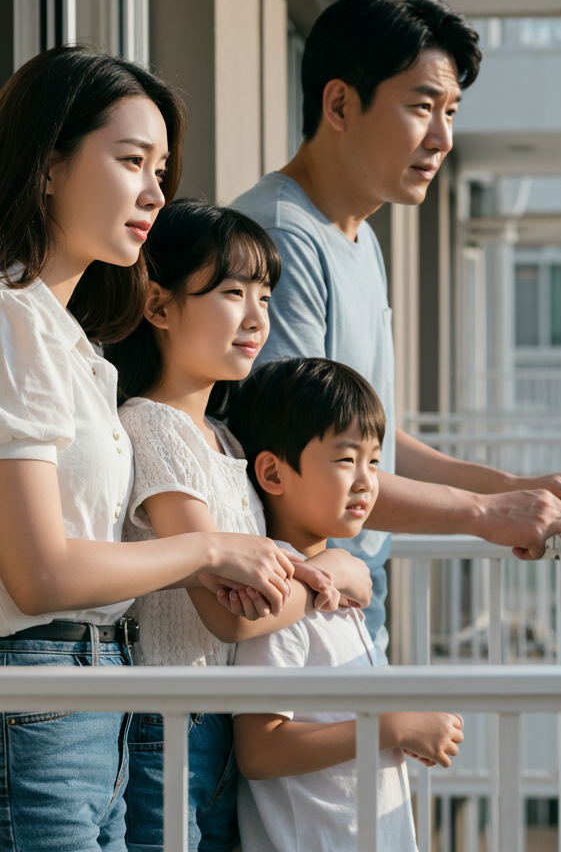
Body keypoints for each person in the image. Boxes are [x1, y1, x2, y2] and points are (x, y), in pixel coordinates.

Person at [0, 46, 295, 852]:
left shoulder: (72, 346)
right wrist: (206, 549)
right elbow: (41, 572)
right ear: (48, 167)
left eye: (161, 168)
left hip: (96, 693)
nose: (156, 192)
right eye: (130, 161)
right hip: (27, 693)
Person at [232, 0, 561, 651]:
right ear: (340, 103)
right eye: (421, 107)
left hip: (345, 599)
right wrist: (485, 513)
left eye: (453, 112)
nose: (442, 138)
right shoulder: (279, 238)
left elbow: (370, 446)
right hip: (293, 610)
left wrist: (512, 489)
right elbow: (306, 466)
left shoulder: (356, 238)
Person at [103, 198, 372, 852]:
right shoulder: (154, 425)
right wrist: (331, 577)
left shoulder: (224, 438)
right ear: (159, 306)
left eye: (265, 295)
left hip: (216, 722)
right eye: (232, 293)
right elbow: (228, 614)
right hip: (168, 727)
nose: (258, 318)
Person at [227, 357, 464, 852]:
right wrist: (392, 726)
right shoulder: (281, 594)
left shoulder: (330, 578)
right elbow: (260, 748)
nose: (366, 480)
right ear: (272, 472)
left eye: (374, 461)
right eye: (346, 459)